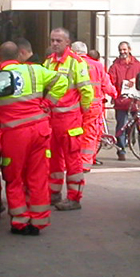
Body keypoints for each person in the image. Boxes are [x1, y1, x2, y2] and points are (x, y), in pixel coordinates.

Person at [0, 40, 67, 235]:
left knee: (14, 178)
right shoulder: (35, 71)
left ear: (0, 58)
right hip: (40, 130)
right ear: (18, 56)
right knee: (38, 176)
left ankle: (20, 221)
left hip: (14, 134)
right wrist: (48, 102)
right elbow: (62, 81)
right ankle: (39, 221)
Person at [43, 28, 94, 210]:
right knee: (53, 159)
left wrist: (84, 111)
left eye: (58, 40)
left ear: (67, 43)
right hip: (52, 120)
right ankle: (54, 194)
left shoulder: (76, 62)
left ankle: (74, 198)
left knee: (73, 160)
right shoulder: (48, 62)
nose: (54, 43)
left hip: (70, 120)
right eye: (52, 40)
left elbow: (86, 90)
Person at [71, 41, 117, 171]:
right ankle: (85, 163)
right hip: (93, 107)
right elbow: (106, 85)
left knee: (73, 134)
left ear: (74, 52)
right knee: (90, 134)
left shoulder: (72, 65)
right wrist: (115, 93)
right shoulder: (97, 65)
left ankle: (72, 161)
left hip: (74, 106)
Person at [107, 41, 140, 161]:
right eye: (120, 50)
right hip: (122, 101)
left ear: (129, 50)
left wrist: (136, 81)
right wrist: (115, 94)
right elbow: (110, 80)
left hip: (136, 101)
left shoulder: (137, 64)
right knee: (121, 126)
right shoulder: (115, 66)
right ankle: (121, 150)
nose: (122, 52)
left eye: (124, 50)